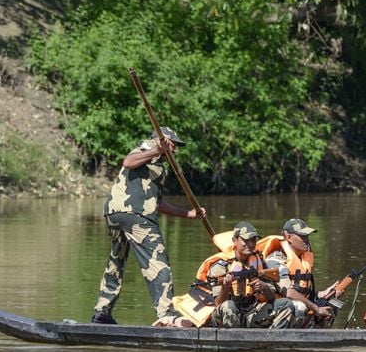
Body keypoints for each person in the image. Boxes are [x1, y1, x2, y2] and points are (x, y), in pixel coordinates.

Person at [91, 127, 206, 327]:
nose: (175, 150)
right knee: (157, 260)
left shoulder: (158, 163)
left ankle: (102, 311)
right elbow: (128, 161)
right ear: (162, 141)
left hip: (117, 213)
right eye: (173, 144)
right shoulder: (148, 147)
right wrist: (157, 150)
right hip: (134, 215)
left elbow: (156, 202)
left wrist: (188, 214)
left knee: (116, 261)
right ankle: (167, 314)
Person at [196, 222, 296, 329]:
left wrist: (263, 286)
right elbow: (218, 304)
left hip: (251, 312)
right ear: (235, 240)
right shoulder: (220, 266)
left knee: (286, 304)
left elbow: (271, 296)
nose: (251, 244)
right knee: (228, 306)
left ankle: (271, 340)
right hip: (227, 314)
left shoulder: (258, 261)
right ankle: (233, 342)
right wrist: (225, 288)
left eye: (253, 240)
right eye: (246, 240)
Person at [258, 218, 341, 328]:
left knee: (330, 304)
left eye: (307, 236)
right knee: (299, 306)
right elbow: (289, 293)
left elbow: (303, 292)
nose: (306, 240)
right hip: (275, 308)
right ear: (288, 237)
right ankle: (281, 340)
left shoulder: (303, 259)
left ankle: (315, 340)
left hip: (296, 304)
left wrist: (325, 293)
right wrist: (316, 309)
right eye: (302, 236)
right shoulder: (275, 261)